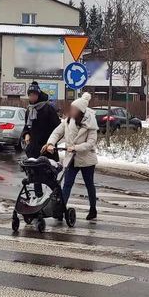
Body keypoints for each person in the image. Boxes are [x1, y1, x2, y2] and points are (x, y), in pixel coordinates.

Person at [44, 92, 99, 220]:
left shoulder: (91, 124)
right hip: (71, 159)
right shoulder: (68, 121)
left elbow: (91, 143)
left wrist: (75, 148)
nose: (72, 110)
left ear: (81, 111)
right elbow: (57, 132)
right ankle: (60, 210)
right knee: (67, 184)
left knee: (89, 184)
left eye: (74, 109)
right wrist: (51, 143)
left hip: (86, 159)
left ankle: (93, 209)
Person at [22, 81, 59, 159]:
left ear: (38, 95)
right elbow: (27, 126)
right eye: (30, 95)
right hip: (33, 149)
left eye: (34, 95)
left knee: (46, 169)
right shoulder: (29, 109)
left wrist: (50, 143)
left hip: (46, 147)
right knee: (32, 169)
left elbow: (57, 128)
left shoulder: (48, 108)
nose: (32, 97)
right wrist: (26, 134)